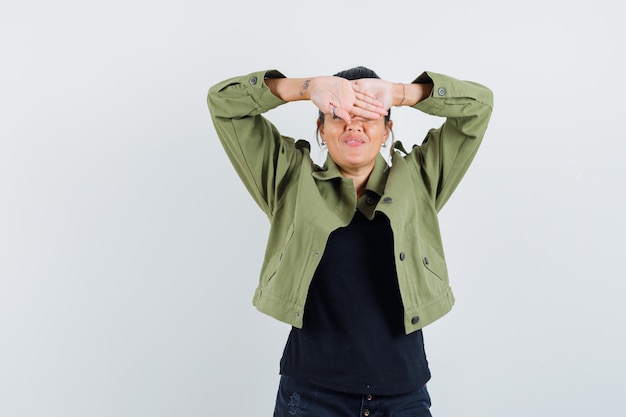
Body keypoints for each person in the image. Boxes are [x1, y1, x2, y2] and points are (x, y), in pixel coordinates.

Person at [207, 66, 493, 416]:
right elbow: (223, 103)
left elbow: (479, 106)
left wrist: (400, 93)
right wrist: (309, 87)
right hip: (311, 396)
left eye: (368, 115)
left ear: (387, 129)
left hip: (402, 394)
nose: (353, 124)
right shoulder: (289, 180)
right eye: (338, 114)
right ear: (321, 130)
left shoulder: (419, 179)